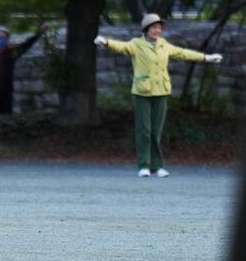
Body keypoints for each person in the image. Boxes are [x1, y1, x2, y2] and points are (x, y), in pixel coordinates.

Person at [95, 13, 222, 178]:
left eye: (159, 28)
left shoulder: (164, 45)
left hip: (161, 91)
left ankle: (157, 166)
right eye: (154, 27)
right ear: (146, 29)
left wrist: (206, 58)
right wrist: (106, 42)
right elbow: (121, 46)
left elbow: (183, 53)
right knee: (144, 131)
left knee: (156, 131)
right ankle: (144, 165)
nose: (157, 30)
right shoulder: (136, 44)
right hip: (143, 92)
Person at [0, 24, 43, 115]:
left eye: (3, 38)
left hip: (7, 90)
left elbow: (27, 44)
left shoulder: (11, 52)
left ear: (7, 39)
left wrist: (40, 32)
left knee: (6, 114)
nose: (1, 40)